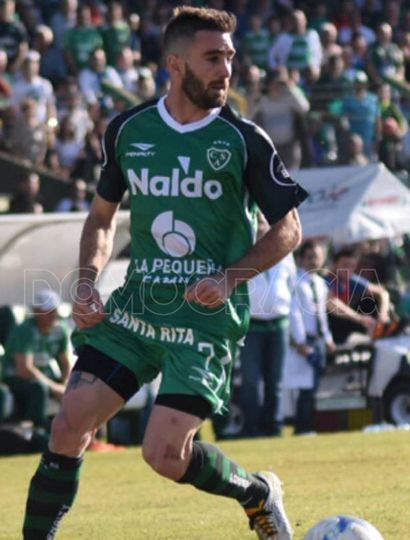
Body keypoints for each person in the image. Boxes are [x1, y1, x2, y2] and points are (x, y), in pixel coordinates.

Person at [22, 7, 307, 540]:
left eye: (230, 57)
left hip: (205, 320)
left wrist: (229, 278)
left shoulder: (244, 139)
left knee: (164, 454)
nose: (226, 69)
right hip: (138, 308)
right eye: (213, 58)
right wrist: (87, 280)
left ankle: (257, 494)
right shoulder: (130, 129)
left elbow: (289, 228)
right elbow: (103, 220)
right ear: (175, 64)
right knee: (68, 425)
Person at [239, 247, 296, 438]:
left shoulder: (285, 253)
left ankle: (274, 426)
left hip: (279, 323)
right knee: (251, 380)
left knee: (276, 379)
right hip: (252, 325)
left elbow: (292, 285)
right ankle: (252, 427)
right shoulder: (246, 251)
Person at [284, 241, 335, 435]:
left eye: (318, 256)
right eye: (311, 256)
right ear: (301, 259)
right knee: (305, 386)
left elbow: (321, 314)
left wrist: (328, 338)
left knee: (314, 386)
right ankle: (302, 427)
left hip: (318, 339)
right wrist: (300, 341)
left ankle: (308, 425)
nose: (315, 260)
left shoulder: (320, 283)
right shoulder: (296, 282)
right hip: (305, 340)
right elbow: (294, 312)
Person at [2, 290, 71, 429]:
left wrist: (65, 382)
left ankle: (86, 433)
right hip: (15, 378)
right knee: (39, 388)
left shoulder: (60, 330)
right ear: (36, 311)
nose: (53, 315)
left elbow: (65, 363)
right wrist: (55, 388)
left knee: (80, 388)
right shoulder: (25, 331)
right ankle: (38, 430)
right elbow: (24, 369)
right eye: (47, 311)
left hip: (44, 376)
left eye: (54, 310)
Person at [325, 246, 391, 344]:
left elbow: (383, 293)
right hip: (331, 323)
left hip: (348, 319)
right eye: (345, 265)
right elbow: (332, 303)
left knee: (371, 301)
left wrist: (382, 314)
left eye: (352, 266)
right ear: (335, 264)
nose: (348, 269)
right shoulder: (327, 280)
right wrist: (359, 318)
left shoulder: (351, 279)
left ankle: (382, 332)